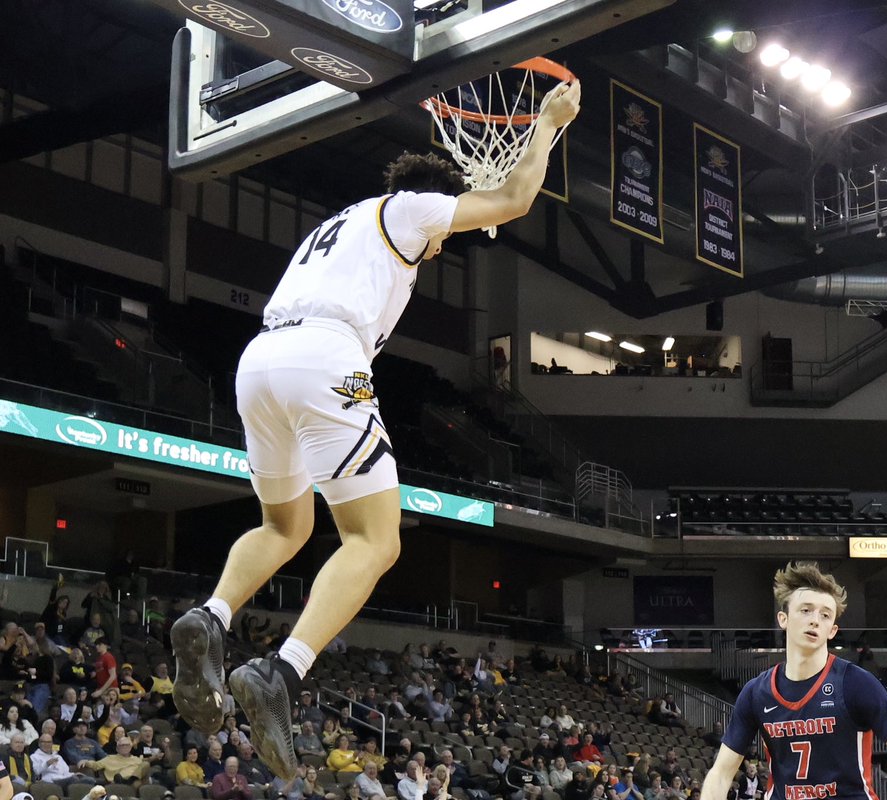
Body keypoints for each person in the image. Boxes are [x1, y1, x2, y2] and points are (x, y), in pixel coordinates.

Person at [171, 76, 583, 784]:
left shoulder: (336, 229)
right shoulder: (412, 209)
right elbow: (513, 199)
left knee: (285, 526)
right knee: (375, 538)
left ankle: (211, 617)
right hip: (325, 358)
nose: (440, 247)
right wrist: (548, 125)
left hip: (260, 360)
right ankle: (283, 671)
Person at [700, 562, 887, 800]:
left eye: (825, 615)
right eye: (806, 610)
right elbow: (721, 773)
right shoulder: (756, 692)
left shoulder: (855, 684)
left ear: (832, 630)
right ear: (783, 619)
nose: (815, 619)